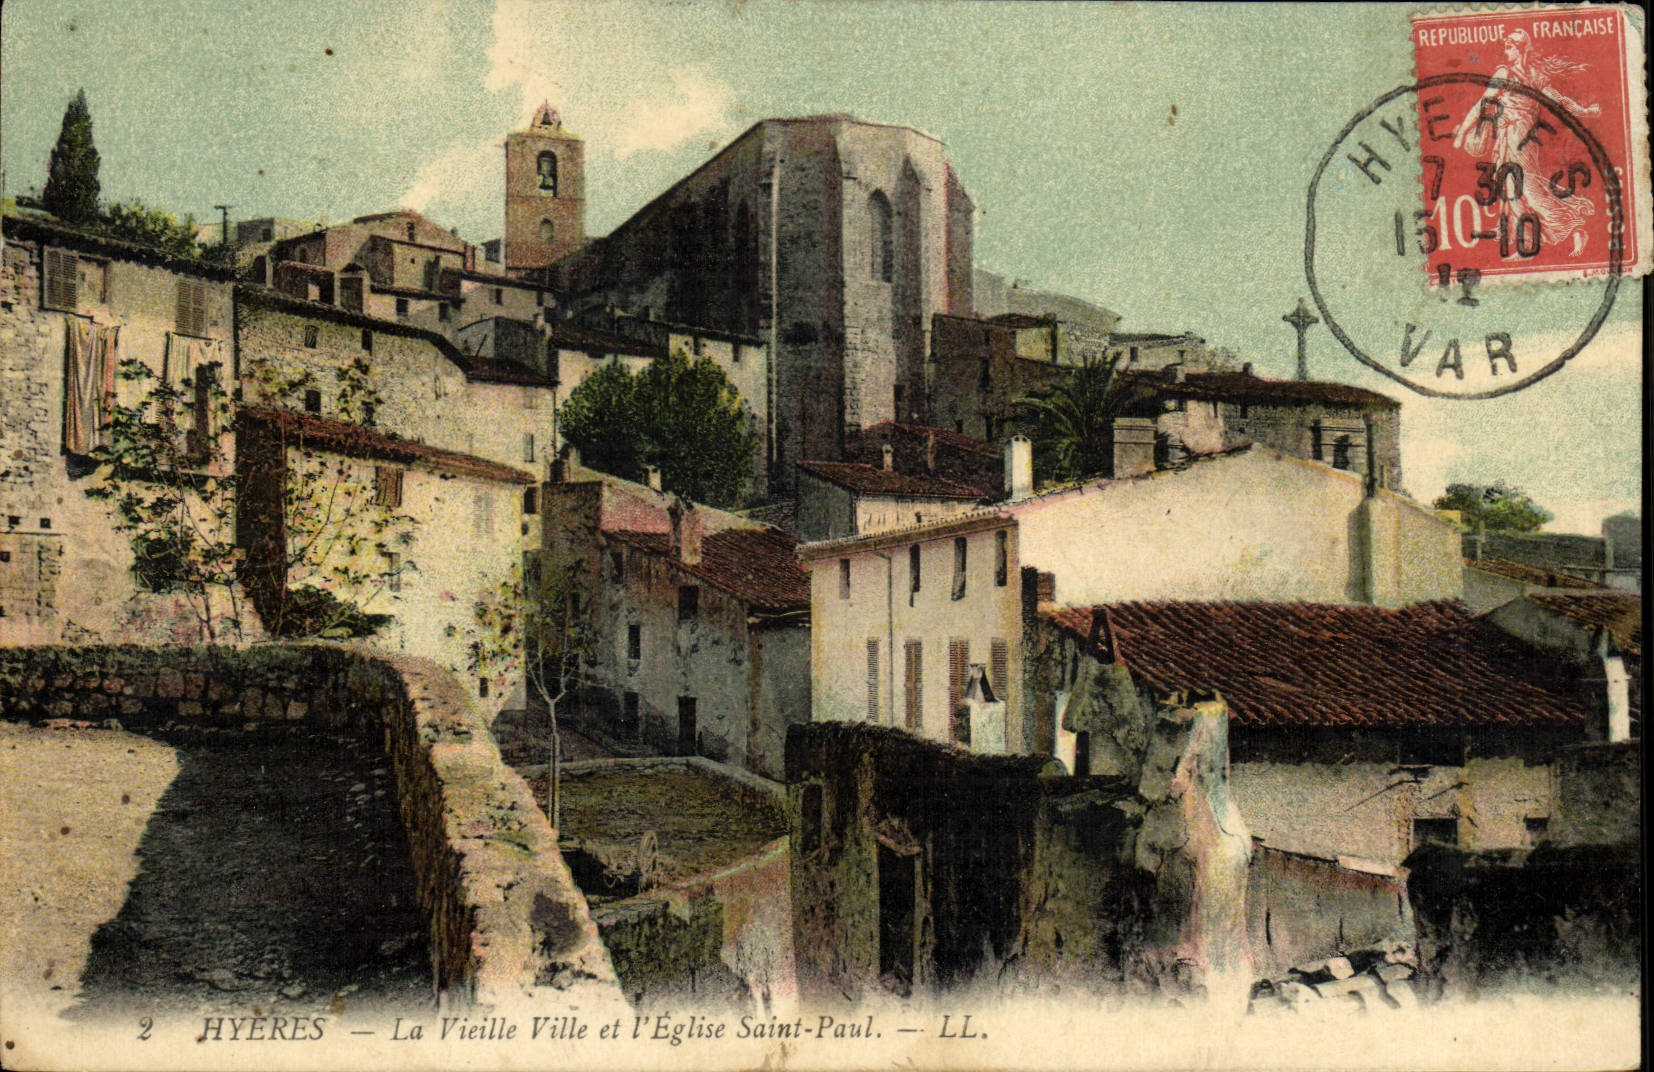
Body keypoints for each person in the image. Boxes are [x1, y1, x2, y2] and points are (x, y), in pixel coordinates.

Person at [1452, 29, 1602, 257]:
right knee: (1512, 190)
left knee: (1529, 191)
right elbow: (1483, 103)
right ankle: (1527, 244)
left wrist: (1584, 111)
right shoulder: (1505, 73)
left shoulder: (1532, 76)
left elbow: (1557, 100)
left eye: (1510, 47)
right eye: (1505, 47)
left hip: (1522, 142)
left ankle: (1574, 229)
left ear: (1521, 49)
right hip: (1507, 139)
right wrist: (1463, 131)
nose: (1506, 51)